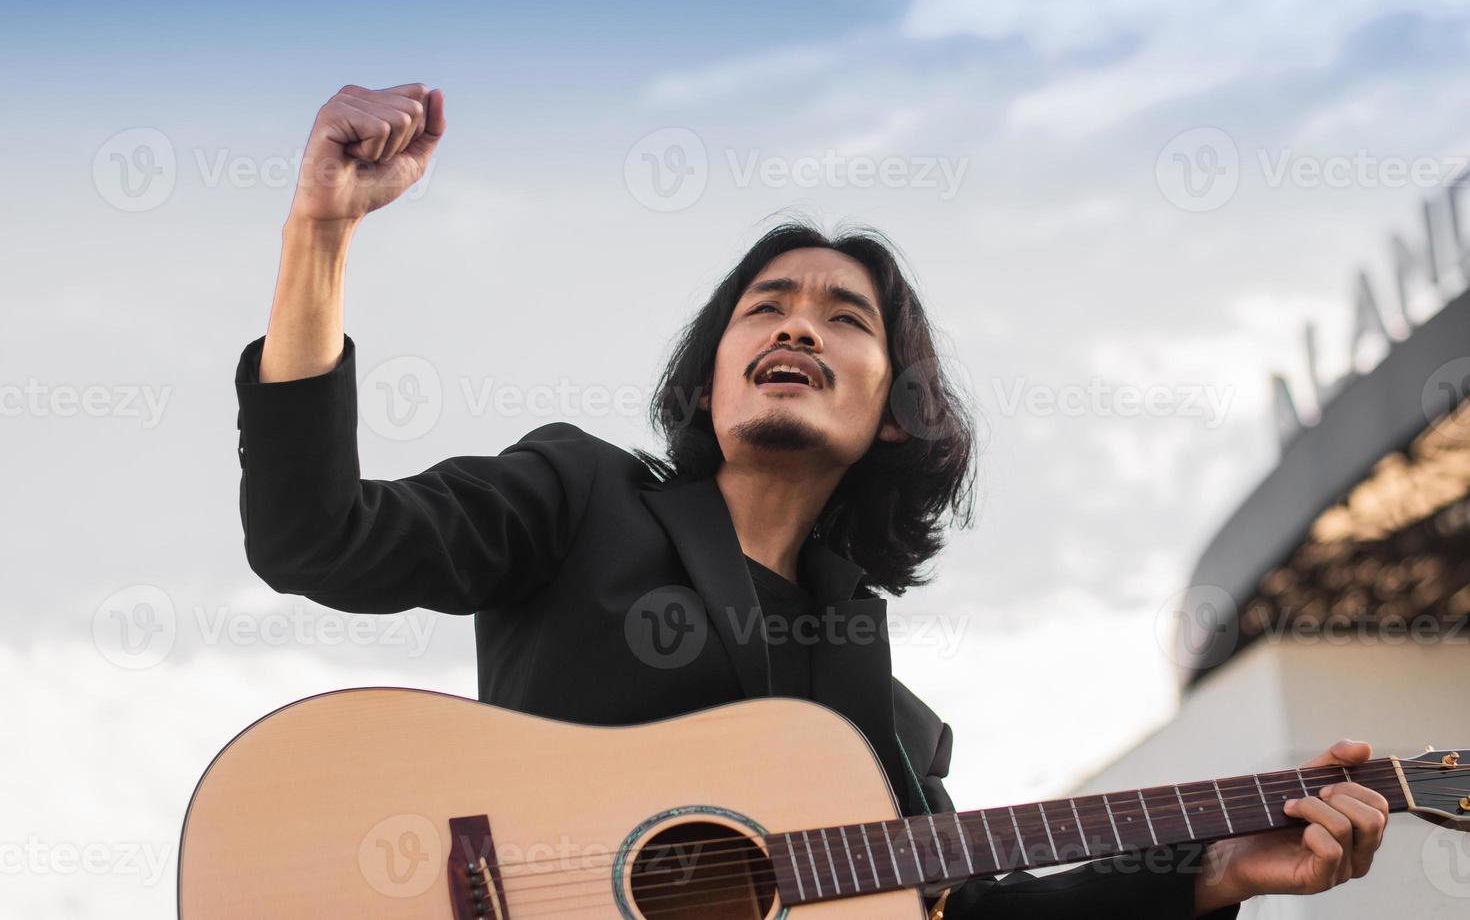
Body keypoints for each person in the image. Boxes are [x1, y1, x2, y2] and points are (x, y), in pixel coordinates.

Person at [233, 82, 1391, 918]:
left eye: (845, 316)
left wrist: (1213, 867)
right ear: (709, 375)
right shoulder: (579, 496)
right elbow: (316, 536)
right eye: (766, 304)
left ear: (894, 409)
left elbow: (972, 917)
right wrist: (319, 238)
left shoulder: (880, 727)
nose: (797, 321)